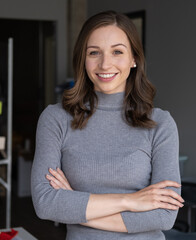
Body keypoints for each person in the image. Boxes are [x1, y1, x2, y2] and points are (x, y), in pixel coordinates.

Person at [31, 10, 183, 239]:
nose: (105, 63)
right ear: (83, 58)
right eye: (94, 52)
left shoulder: (160, 124)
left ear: (134, 59)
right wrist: (130, 201)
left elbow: (164, 216)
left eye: (117, 52)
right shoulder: (55, 119)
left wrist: (74, 202)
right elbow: (45, 204)